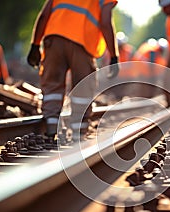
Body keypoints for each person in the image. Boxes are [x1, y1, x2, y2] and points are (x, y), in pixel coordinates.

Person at [27, 0, 119, 141]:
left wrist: (35, 44)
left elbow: (44, 15)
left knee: (52, 85)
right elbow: (105, 23)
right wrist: (113, 56)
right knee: (82, 88)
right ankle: (78, 132)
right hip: (82, 41)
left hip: (54, 38)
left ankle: (51, 127)